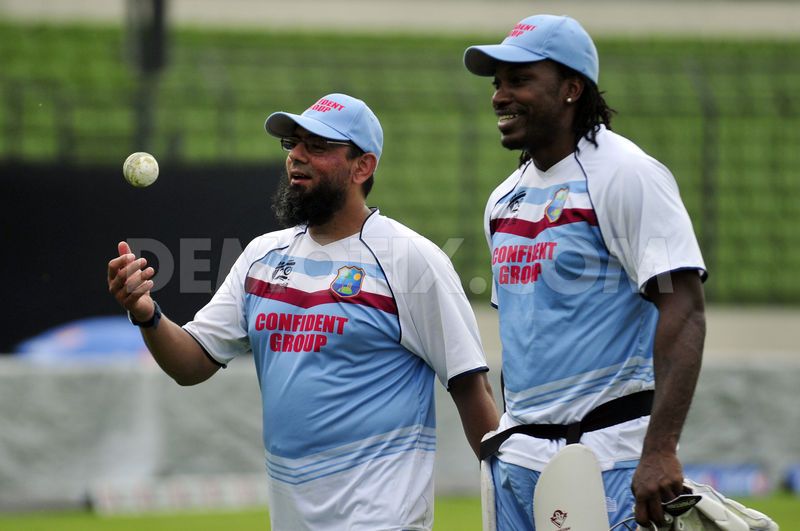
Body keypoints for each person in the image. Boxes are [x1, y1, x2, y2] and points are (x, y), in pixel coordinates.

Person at [107, 93, 499, 530]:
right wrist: (146, 313)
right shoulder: (262, 256)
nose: (296, 156)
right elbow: (192, 362)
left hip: (380, 519)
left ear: (362, 167)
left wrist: (508, 497)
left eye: (316, 146)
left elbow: (471, 389)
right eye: (292, 144)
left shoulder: (411, 259)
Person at [463, 15, 708, 529]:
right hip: (521, 460)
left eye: (520, 80)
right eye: (497, 83)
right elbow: (528, 339)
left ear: (572, 88)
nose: (500, 96)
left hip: (607, 456)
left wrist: (660, 449)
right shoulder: (501, 201)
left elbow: (683, 309)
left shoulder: (626, 175)